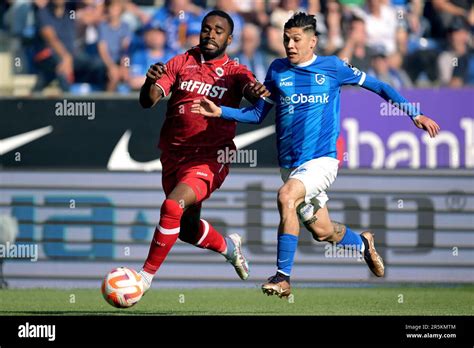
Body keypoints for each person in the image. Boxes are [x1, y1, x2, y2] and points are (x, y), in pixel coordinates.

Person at [191, 12, 440, 298]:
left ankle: (283, 277)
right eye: (287, 39)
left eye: (297, 39)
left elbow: (380, 86)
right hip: (290, 165)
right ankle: (362, 243)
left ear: (313, 42)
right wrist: (221, 111)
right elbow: (258, 113)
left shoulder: (333, 67)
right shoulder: (277, 70)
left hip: (322, 160)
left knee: (286, 196)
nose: (290, 45)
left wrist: (414, 113)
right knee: (322, 231)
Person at [137, 10, 270, 292]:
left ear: (230, 38)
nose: (211, 34)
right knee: (186, 229)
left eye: (218, 30)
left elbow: (254, 97)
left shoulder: (235, 72)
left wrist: (256, 90)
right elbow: (148, 102)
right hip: (174, 155)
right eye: (206, 29)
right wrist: (150, 82)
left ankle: (144, 278)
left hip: (211, 157)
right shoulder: (181, 61)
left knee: (172, 206)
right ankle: (229, 248)